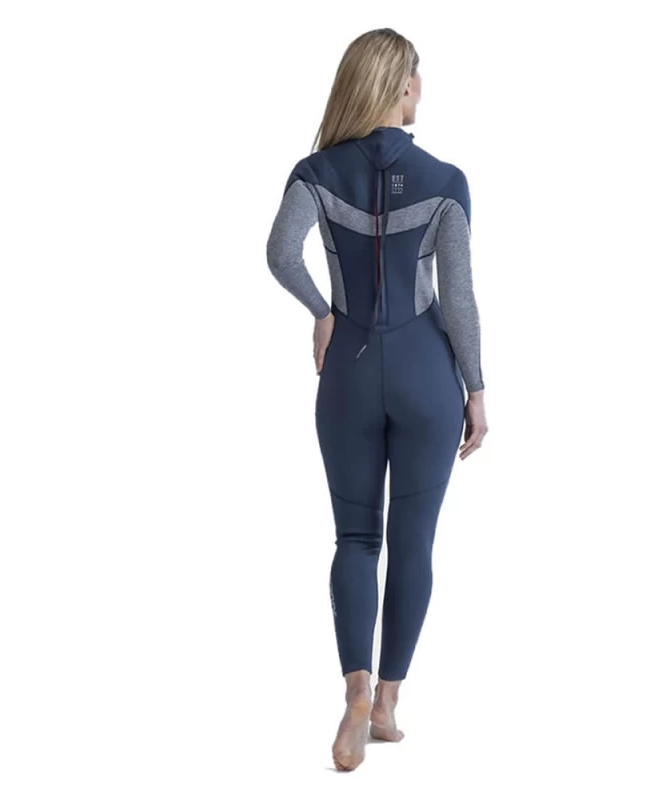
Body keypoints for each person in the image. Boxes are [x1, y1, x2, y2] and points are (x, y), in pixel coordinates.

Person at [266, 27, 488, 771]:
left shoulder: (315, 171)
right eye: (417, 77)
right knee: (413, 542)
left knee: (356, 539)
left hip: (349, 372)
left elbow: (279, 252)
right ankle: (389, 705)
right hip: (426, 373)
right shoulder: (445, 180)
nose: (421, 89)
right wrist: (476, 387)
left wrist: (322, 312)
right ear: (403, 87)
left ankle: (355, 695)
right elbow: (458, 300)